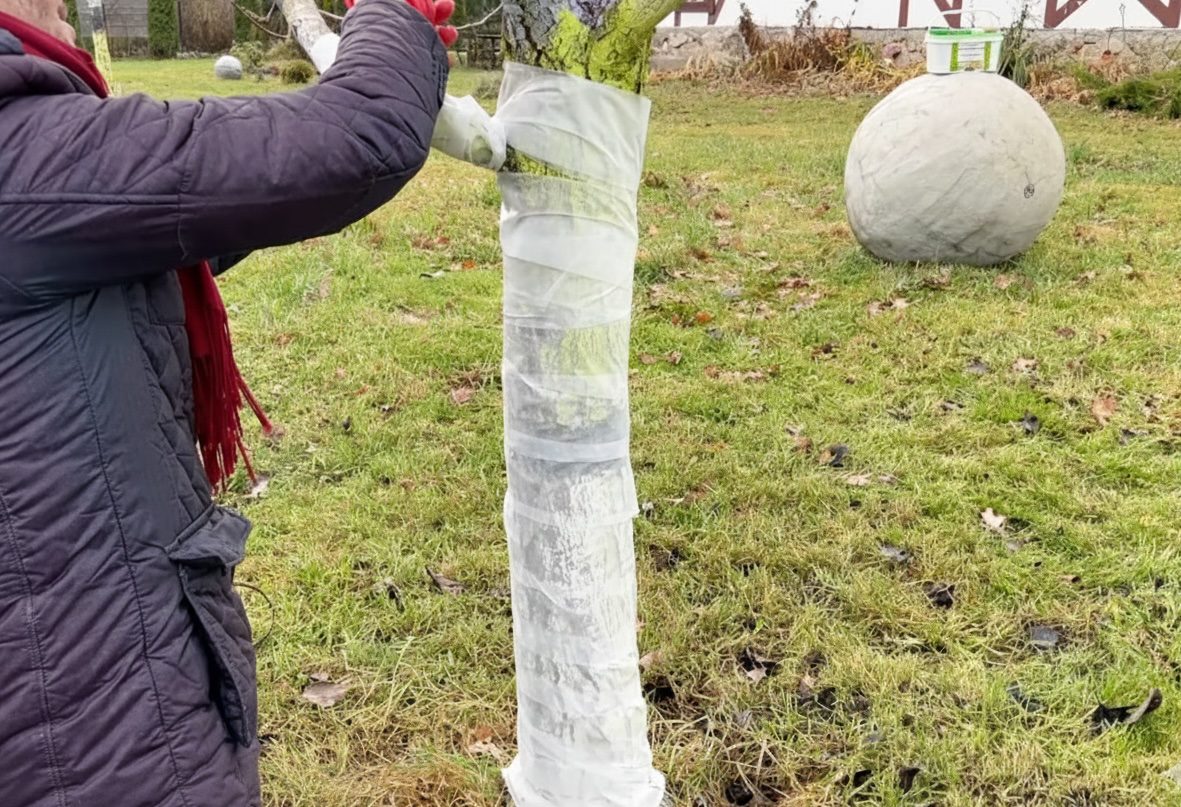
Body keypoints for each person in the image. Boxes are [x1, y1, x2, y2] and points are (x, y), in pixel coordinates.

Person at [0, 0, 452, 803]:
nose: (62, 8)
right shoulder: (20, 154)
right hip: (93, 736)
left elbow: (167, 210)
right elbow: (356, 138)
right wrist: (396, 18)